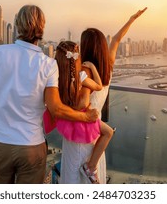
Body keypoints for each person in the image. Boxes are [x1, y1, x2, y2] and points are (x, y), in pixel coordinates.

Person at [0, 4, 98, 184]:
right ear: (42, 28)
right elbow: (56, 109)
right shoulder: (48, 64)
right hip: (31, 145)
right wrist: (86, 118)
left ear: (17, 25)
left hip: (0, 143)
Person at [60, 7, 148, 184]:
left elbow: (81, 102)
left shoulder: (85, 71)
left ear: (84, 46)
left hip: (81, 129)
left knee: (75, 176)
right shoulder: (107, 66)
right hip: (95, 130)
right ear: (101, 46)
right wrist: (131, 19)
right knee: (91, 174)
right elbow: (116, 40)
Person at [43, 41, 114, 184]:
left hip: (68, 118)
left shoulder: (56, 78)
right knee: (108, 132)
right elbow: (99, 86)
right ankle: (91, 167)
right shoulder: (81, 76)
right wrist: (93, 68)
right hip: (85, 118)